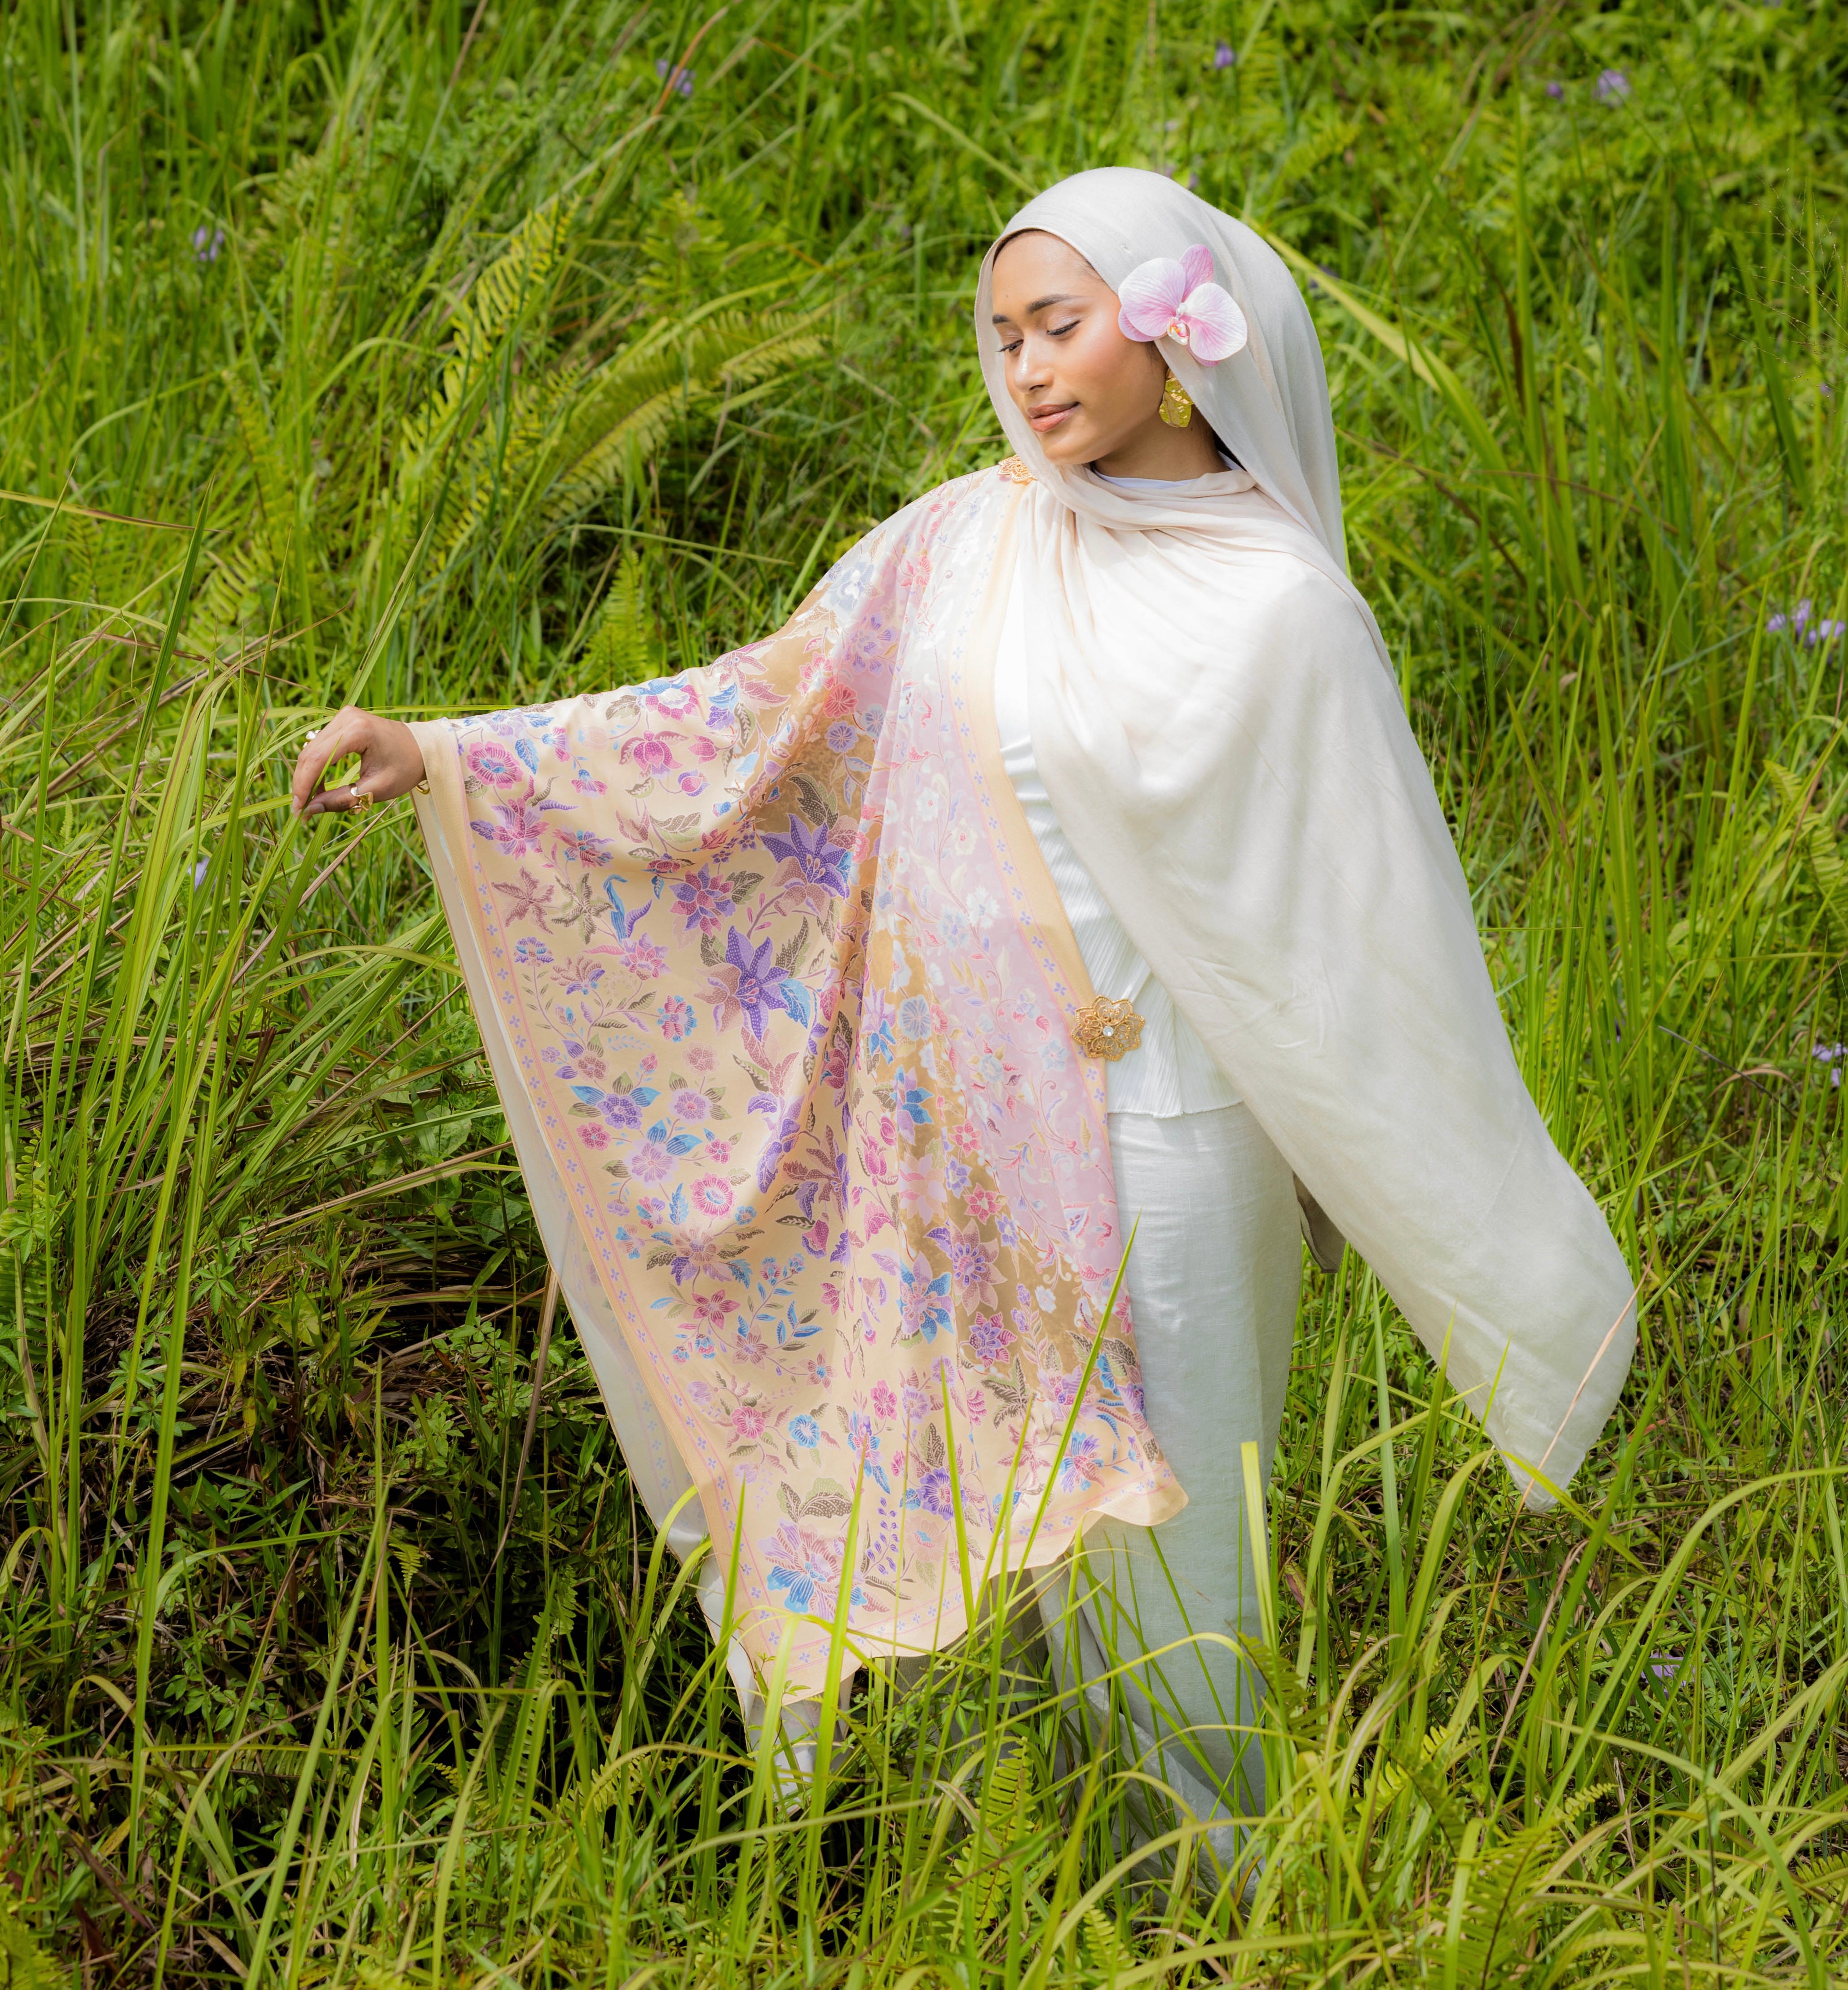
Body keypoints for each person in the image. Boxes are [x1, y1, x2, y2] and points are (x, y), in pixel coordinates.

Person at [292, 167, 1636, 1872]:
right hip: (964, 1134)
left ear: (1171, 325)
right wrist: (457, 751)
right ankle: (1043, 1876)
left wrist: (1436, 1212)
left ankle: (1229, 1901)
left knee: (1170, 1552)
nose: (1027, 367)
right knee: (1009, 1531)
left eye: (1061, 324)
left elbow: (1364, 937)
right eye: (1001, 336)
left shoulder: (1279, 610)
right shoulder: (965, 536)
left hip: (1167, 1149)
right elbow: (754, 719)